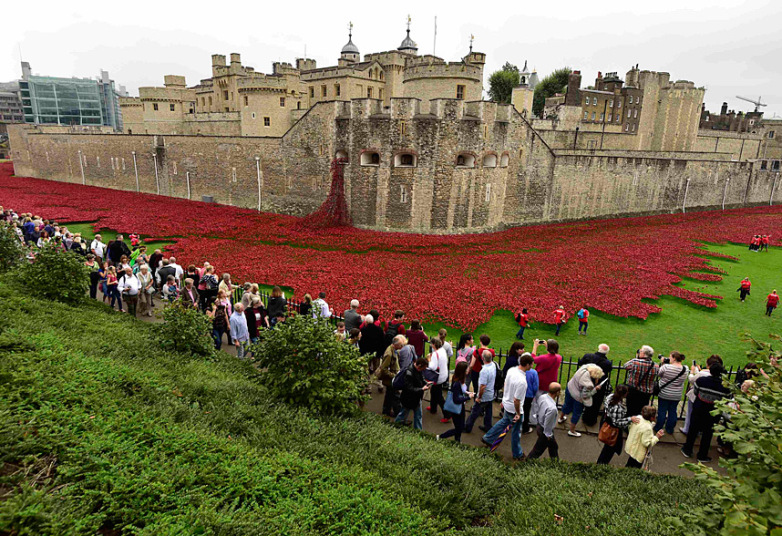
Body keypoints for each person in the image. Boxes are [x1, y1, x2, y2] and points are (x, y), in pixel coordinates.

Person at [482, 353, 531, 460]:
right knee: (516, 432)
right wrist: (518, 413)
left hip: (507, 404)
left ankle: (488, 438)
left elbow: (506, 385)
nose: (532, 366)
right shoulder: (522, 382)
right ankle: (517, 454)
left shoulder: (512, 370)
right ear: (527, 365)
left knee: (503, 422)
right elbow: (517, 400)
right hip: (515, 409)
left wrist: (504, 400)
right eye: (531, 364)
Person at [681, 363, 730, 463]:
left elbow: (695, 392)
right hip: (713, 412)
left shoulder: (701, 380)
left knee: (693, 429)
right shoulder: (725, 386)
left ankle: (687, 449)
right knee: (708, 433)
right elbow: (726, 400)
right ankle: (702, 455)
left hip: (699, 408)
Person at [557, 363, 604, 437]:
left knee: (567, 404)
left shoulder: (583, 368)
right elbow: (585, 395)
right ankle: (572, 430)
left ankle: (561, 418)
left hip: (570, 389)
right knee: (577, 413)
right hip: (577, 397)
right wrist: (595, 389)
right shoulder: (589, 384)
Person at [680, 354, 723, 435]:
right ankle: (699, 430)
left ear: (708, 364)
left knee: (691, 413)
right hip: (711, 400)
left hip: (697, 397)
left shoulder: (703, 374)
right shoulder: (719, 375)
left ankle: (687, 429)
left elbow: (692, 380)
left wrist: (692, 372)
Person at [596, 385, 636, 465]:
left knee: (608, 447)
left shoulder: (610, 397)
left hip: (606, 422)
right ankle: (601, 464)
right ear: (624, 394)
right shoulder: (618, 408)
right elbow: (617, 422)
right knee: (609, 448)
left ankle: (601, 463)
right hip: (613, 430)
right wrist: (630, 419)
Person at [436, 362, 474, 443]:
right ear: (463, 370)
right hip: (457, 408)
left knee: (460, 427)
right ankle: (441, 437)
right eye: (467, 368)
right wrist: (468, 397)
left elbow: (460, 391)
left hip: (460, 407)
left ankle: (457, 441)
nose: (468, 370)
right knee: (459, 428)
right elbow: (456, 399)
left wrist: (467, 392)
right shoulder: (457, 383)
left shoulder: (459, 379)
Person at [577, 344, 613, 426]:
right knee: (596, 402)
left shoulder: (588, 356)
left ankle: (583, 416)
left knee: (584, 397)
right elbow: (609, 370)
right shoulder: (607, 363)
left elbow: (580, 363)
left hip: (586, 381)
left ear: (598, 349)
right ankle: (591, 420)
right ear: (606, 353)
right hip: (599, 384)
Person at [654, 351, 689, 435]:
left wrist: (662, 363)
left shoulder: (666, 367)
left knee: (662, 411)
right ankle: (670, 429)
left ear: (674, 358)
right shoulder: (685, 369)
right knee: (673, 411)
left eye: (670, 357)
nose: (669, 359)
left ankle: (658, 427)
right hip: (676, 394)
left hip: (664, 393)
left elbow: (658, 374)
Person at [464, 349, 498, 433]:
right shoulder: (493, 364)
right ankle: (488, 426)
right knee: (488, 411)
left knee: (474, 412)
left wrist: (479, 397)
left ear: (483, 358)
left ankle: (467, 427)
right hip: (490, 393)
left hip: (484, 395)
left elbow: (482, 387)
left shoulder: (484, 371)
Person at [394, 357, 432, 430]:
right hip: (408, 399)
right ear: (419, 366)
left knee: (418, 415)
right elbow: (409, 388)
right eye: (423, 368)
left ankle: (418, 431)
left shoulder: (417, 370)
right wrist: (421, 389)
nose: (423, 370)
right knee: (403, 414)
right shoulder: (409, 373)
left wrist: (426, 383)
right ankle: (396, 425)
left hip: (416, 398)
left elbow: (421, 378)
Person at [527, 382, 561, 460]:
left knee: (554, 447)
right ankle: (527, 462)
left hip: (539, 425)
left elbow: (538, 409)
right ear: (557, 393)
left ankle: (555, 461)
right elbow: (548, 424)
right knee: (537, 450)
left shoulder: (543, 397)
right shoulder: (552, 409)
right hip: (545, 431)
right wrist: (548, 435)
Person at [623, 345, 658, 417]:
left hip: (633, 390)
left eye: (641, 351)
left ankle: (629, 425)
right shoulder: (656, 366)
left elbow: (625, 366)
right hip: (646, 393)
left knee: (630, 410)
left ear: (643, 353)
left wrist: (637, 357)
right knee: (642, 411)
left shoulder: (635, 362)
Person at [377, 335, 405, 417]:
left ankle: (386, 411)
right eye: (400, 345)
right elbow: (384, 369)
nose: (401, 347)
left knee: (389, 395)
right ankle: (399, 415)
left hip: (392, 378)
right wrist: (394, 376)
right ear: (395, 344)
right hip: (391, 379)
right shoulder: (389, 354)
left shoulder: (393, 350)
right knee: (396, 396)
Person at [426, 337, 450, 421]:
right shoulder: (442, 350)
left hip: (437, 377)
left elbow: (433, 367)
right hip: (443, 374)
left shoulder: (435, 354)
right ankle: (433, 408)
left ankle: (447, 414)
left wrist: (429, 359)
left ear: (433, 345)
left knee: (438, 396)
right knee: (434, 391)